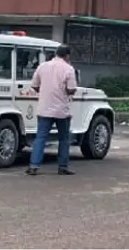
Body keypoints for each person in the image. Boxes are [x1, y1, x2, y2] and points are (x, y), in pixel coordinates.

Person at [25, 44, 78, 176]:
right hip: (61, 110)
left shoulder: (42, 66)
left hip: (45, 108)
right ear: (67, 56)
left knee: (41, 138)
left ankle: (33, 166)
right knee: (64, 139)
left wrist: (45, 91)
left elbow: (35, 86)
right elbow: (71, 89)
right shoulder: (69, 69)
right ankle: (62, 167)